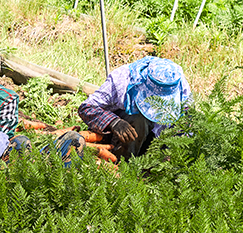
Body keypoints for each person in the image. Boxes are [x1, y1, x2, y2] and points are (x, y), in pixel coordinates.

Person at [58, 56, 192, 163]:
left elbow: (186, 125)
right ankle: (121, 165)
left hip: (153, 143)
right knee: (139, 119)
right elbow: (86, 108)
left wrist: (171, 152)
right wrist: (114, 122)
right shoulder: (123, 81)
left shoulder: (179, 87)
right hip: (123, 135)